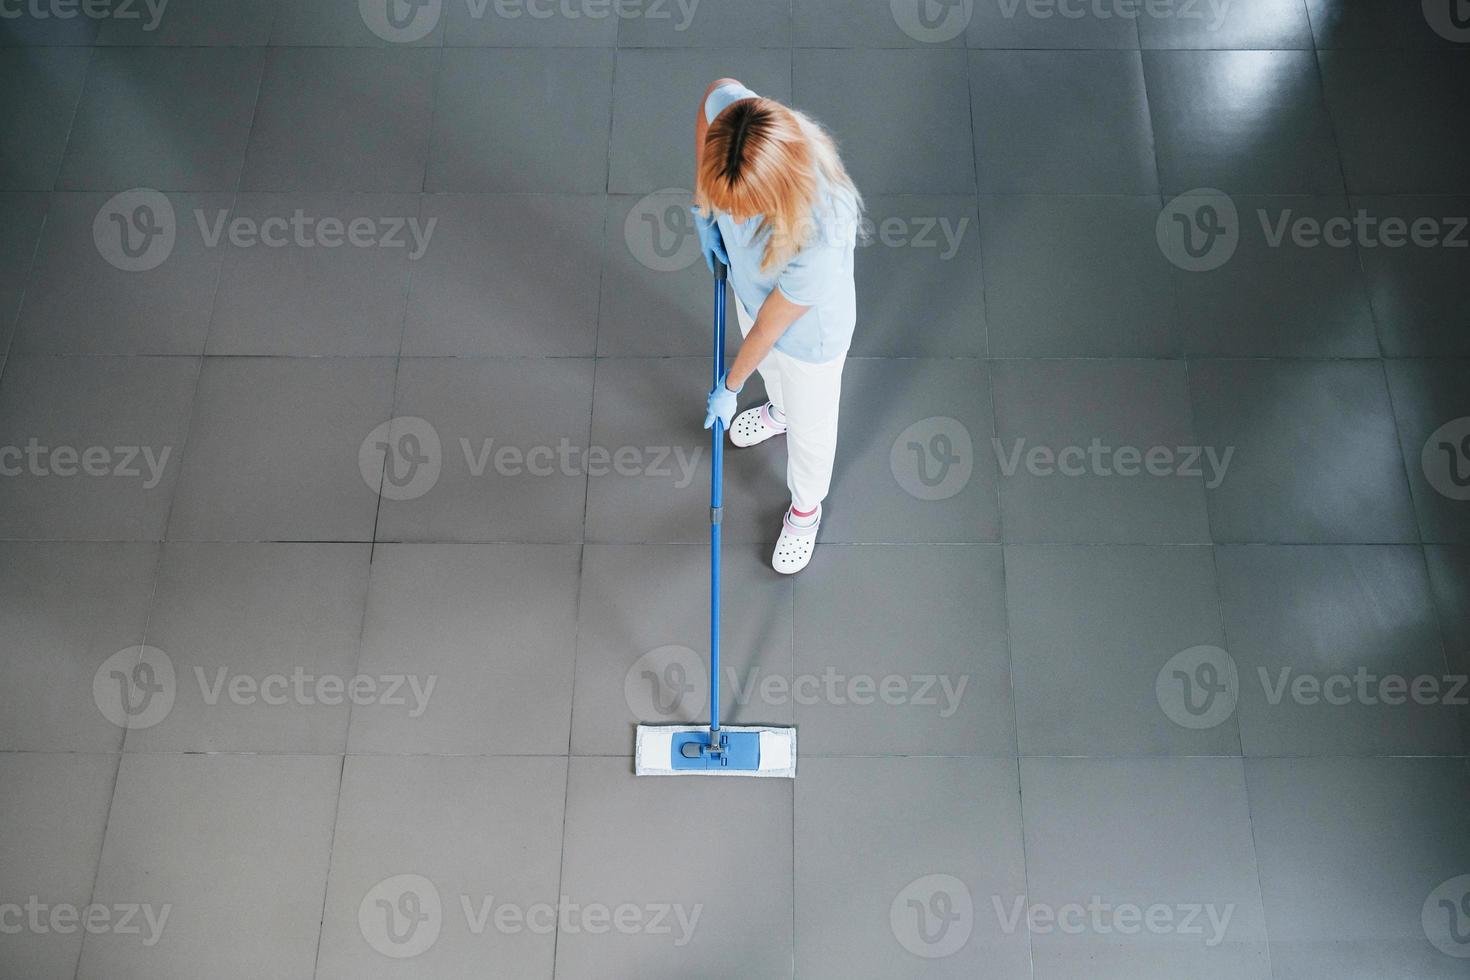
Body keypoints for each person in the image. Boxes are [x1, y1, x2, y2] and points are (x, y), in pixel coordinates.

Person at [692, 77, 863, 575]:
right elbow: (712, 98)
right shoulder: (742, 124)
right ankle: (778, 412)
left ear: (776, 195)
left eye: (741, 210)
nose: (733, 216)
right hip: (754, 294)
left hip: (810, 339)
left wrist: (728, 385)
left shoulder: (823, 230)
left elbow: (770, 329)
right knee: (773, 378)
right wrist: (704, 207)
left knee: (812, 430)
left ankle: (806, 509)